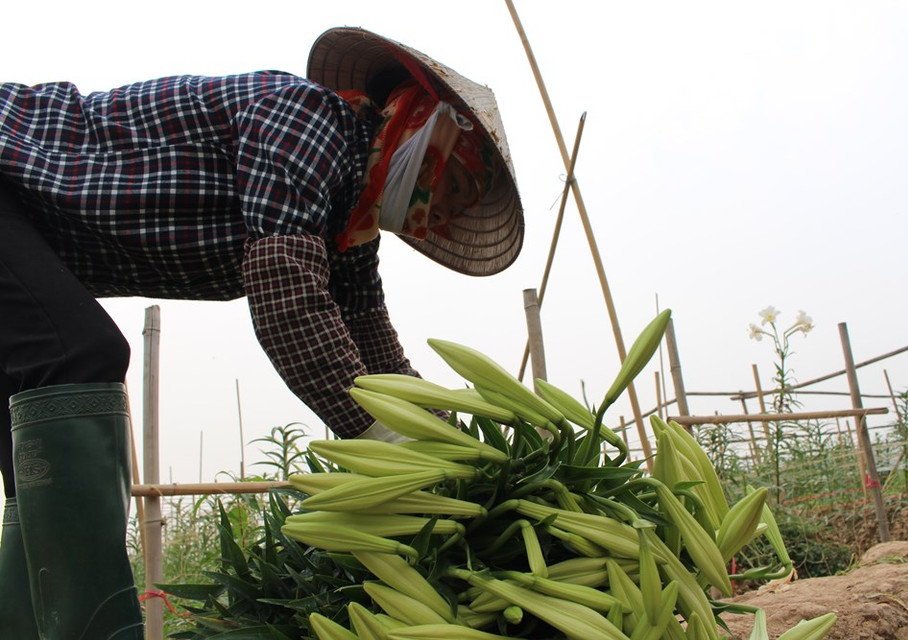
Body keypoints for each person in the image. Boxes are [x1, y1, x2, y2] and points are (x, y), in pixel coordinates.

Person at [0, 27, 523, 639]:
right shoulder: (308, 121)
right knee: (80, 356)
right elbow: (287, 297)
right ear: (419, 123)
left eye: (453, 211)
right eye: (452, 189)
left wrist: (456, 440)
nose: (438, 214)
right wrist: (387, 441)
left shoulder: (346, 227)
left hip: (25, 232)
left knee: (30, 454)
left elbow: (374, 350)